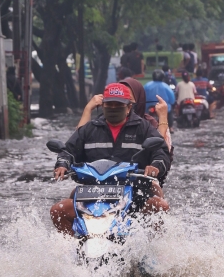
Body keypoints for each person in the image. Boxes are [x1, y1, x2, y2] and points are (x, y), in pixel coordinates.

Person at [50, 83, 171, 236]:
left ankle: (152, 249)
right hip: (92, 192)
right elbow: (69, 150)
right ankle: (73, 248)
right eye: (109, 104)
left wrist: (155, 166)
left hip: (134, 191)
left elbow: (161, 151)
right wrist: (62, 165)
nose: (113, 108)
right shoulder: (89, 129)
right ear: (103, 106)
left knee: (160, 206)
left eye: (118, 105)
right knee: (57, 210)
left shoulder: (144, 127)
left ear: (128, 107)